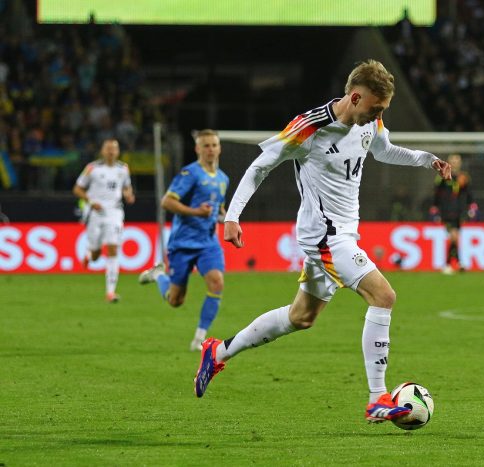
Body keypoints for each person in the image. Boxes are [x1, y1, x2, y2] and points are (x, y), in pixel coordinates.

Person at [192, 60, 452, 424]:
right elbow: (260, 167)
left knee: (301, 316)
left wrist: (427, 160)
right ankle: (377, 397)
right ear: (355, 96)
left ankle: (217, 351)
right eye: (375, 108)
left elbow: (384, 150)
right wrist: (233, 216)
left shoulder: (369, 120)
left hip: (344, 232)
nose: (379, 116)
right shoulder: (310, 127)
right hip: (325, 236)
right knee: (384, 296)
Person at [139, 129, 229, 351]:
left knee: (217, 282)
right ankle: (159, 274)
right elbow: (167, 202)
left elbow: (220, 207)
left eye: (214, 145)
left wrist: (226, 217)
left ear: (219, 148)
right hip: (183, 243)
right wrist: (196, 212)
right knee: (175, 300)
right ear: (198, 149)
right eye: (205, 146)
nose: (210, 149)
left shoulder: (223, 178)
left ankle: (199, 339)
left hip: (208, 243)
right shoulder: (189, 174)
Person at [73, 138, 135, 303]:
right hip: (95, 212)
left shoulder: (123, 169)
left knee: (113, 248)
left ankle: (110, 292)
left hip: (115, 211)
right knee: (96, 254)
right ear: (102, 151)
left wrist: (129, 194)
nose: (111, 152)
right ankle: (89, 253)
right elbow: (77, 189)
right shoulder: (92, 168)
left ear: (118, 151)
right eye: (108, 149)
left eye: (114, 149)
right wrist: (91, 201)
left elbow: (127, 186)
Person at [431, 153, 477, 274]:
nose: (456, 163)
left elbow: (469, 194)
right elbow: (437, 194)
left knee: (454, 238)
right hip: (446, 212)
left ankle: (454, 263)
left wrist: (472, 207)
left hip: (460, 212)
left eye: (457, 160)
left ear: (460, 163)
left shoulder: (463, 177)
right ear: (449, 162)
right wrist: (435, 210)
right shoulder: (442, 176)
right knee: (454, 236)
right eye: (453, 160)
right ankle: (452, 263)